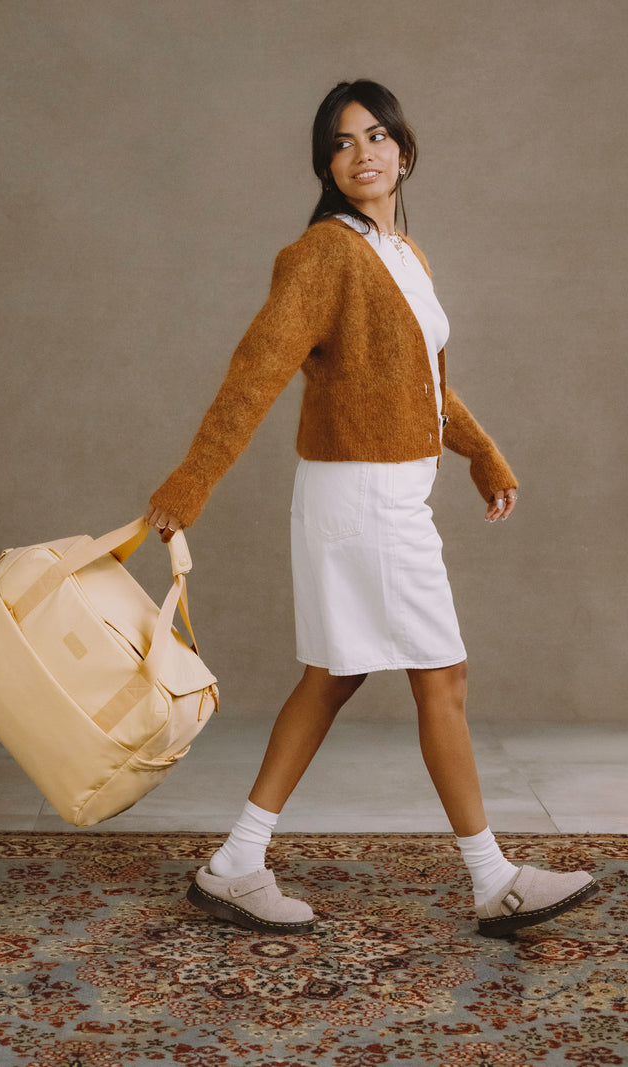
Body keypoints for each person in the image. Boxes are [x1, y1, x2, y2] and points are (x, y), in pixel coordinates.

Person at [145, 80, 598, 938]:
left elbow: (423, 383)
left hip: (377, 490)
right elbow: (255, 372)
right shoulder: (322, 254)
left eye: (379, 135)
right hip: (364, 497)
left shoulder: (403, 254)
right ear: (327, 162)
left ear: (405, 149)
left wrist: (481, 451)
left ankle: (235, 864)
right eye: (345, 141)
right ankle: (494, 880)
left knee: (333, 674)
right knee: (444, 678)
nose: (366, 153)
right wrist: (191, 483)